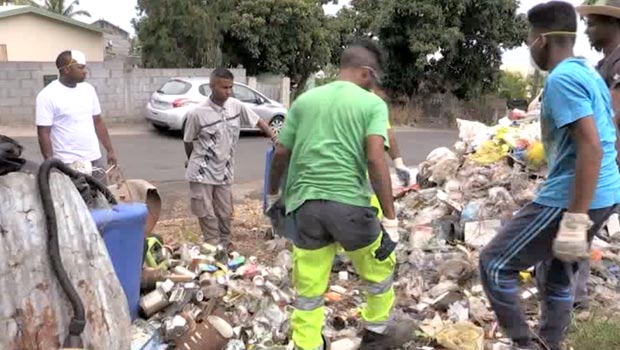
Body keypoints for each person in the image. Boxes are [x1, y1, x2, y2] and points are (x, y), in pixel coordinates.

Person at [478, 2, 620, 350]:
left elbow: (592, 146)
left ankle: (525, 345)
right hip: (603, 191)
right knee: (554, 275)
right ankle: (550, 343)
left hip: (574, 195)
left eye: (529, 39)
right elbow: (607, 133)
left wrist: (574, 217)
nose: (529, 46)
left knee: (494, 264)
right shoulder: (588, 72)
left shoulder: (562, 79)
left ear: (541, 39)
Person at [269, 41, 411, 350]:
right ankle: (375, 335)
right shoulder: (371, 104)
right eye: (374, 77)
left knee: (309, 285)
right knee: (379, 268)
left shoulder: (304, 101)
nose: (374, 84)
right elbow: (375, 158)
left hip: (305, 207)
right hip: (349, 206)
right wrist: (390, 217)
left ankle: (307, 344)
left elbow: (281, 151)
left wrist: (271, 194)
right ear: (364, 72)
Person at [184, 68, 276, 249]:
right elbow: (188, 141)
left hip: (224, 172)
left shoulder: (235, 106)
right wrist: (191, 160)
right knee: (206, 213)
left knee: (225, 212)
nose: (228, 92)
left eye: (230, 87)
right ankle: (212, 247)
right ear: (212, 86)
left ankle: (225, 245)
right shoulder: (198, 113)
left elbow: (258, 121)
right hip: (201, 173)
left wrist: (274, 137)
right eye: (224, 87)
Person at [575, 0, 620, 309]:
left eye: (592, 24)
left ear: (613, 25)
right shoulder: (605, 64)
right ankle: (575, 297)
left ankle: (574, 298)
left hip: (609, 162)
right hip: (604, 163)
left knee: (579, 226)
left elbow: (613, 117)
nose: (587, 30)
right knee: (581, 231)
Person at [36, 50, 117, 179]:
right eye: (80, 67)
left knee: (102, 196)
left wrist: (110, 150)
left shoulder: (88, 90)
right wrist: (50, 163)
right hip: (67, 163)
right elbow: (43, 133)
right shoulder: (47, 95)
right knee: (73, 198)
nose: (85, 71)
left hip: (94, 159)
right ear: (67, 69)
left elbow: (98, 122)